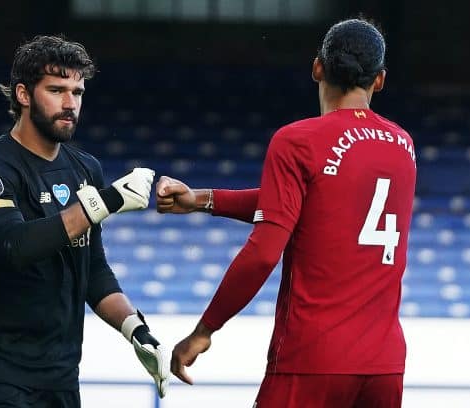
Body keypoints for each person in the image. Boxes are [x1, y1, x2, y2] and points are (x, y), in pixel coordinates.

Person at [157, 18, 416, 408]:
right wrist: (204, 199)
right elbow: (316, 201)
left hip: (312, 359)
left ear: (317, 68)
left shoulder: (297, 140)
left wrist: (204, 330)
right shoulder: (403, 145)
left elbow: (263, 251)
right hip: (385, 366)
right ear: (379, 80)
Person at [0, 35, 169, 407]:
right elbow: (15, 245)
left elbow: (93, 270)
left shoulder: (86, 168)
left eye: (77, 92)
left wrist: (136, 330)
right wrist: (108, 200)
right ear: (23, 94)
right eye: (56, 90)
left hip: (60, 373)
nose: (70, 104)